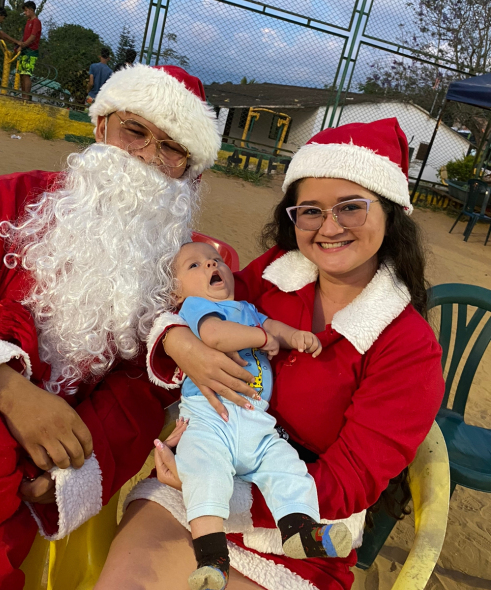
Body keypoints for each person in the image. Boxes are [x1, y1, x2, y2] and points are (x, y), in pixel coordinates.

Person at [0, 64, 223, 590]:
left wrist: (68, 467)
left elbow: (141, 392)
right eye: (134, 131)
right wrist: (5, 390)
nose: (146, 156)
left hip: (36, 466)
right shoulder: (1, 202)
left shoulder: (184, 270)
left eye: (172, 149)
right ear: (100, 126)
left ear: (191, 173)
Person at [94, 118, 446, 590]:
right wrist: (179, 342)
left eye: (351, 207)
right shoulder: (276, 273)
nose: (330, 227)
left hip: (299, 520)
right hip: (198, 478)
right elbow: (189, 302)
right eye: (311, 211)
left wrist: (227, 495)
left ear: (390, 212)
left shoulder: (409, 347)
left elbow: (350, 482)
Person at [170, 241, 351, 590]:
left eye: (216, 260)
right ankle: (211, 557)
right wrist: (261, 336)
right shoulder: (196, 307)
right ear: (177, 293)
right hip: (210, 416)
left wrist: (295, 336)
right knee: (204, 472)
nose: (211, 266)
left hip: (255, 418)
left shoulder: (247, 308)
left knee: (286, 465)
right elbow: (215, 336)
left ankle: (299, 528)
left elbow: (276, 328)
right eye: (195, 266)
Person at [16, 0, 41, 101]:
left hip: (31, 51)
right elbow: (25, 36)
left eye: (26, 11)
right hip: (24, 50)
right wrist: (19, 44)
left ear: (31, 10)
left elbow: (32, 37)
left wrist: (23, 45)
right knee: (21, 74)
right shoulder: (28, 21)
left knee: (26, 74)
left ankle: (26, 97)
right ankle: (23, 96)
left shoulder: (36, 22)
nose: (25, 13)